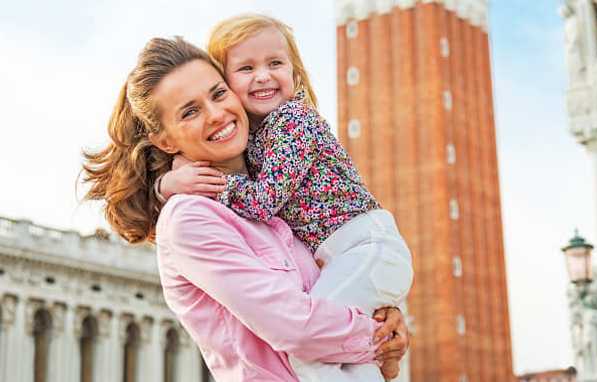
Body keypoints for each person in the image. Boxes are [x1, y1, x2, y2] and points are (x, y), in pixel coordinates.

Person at [81, 36, 408, 381]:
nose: (216, 114)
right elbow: (293, 326)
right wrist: (376, 337)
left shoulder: (278, 195)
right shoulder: (190, 218)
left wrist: (384, 313)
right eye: (190, 111)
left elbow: (337, 290)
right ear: (165, 140)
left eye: (219, 93)